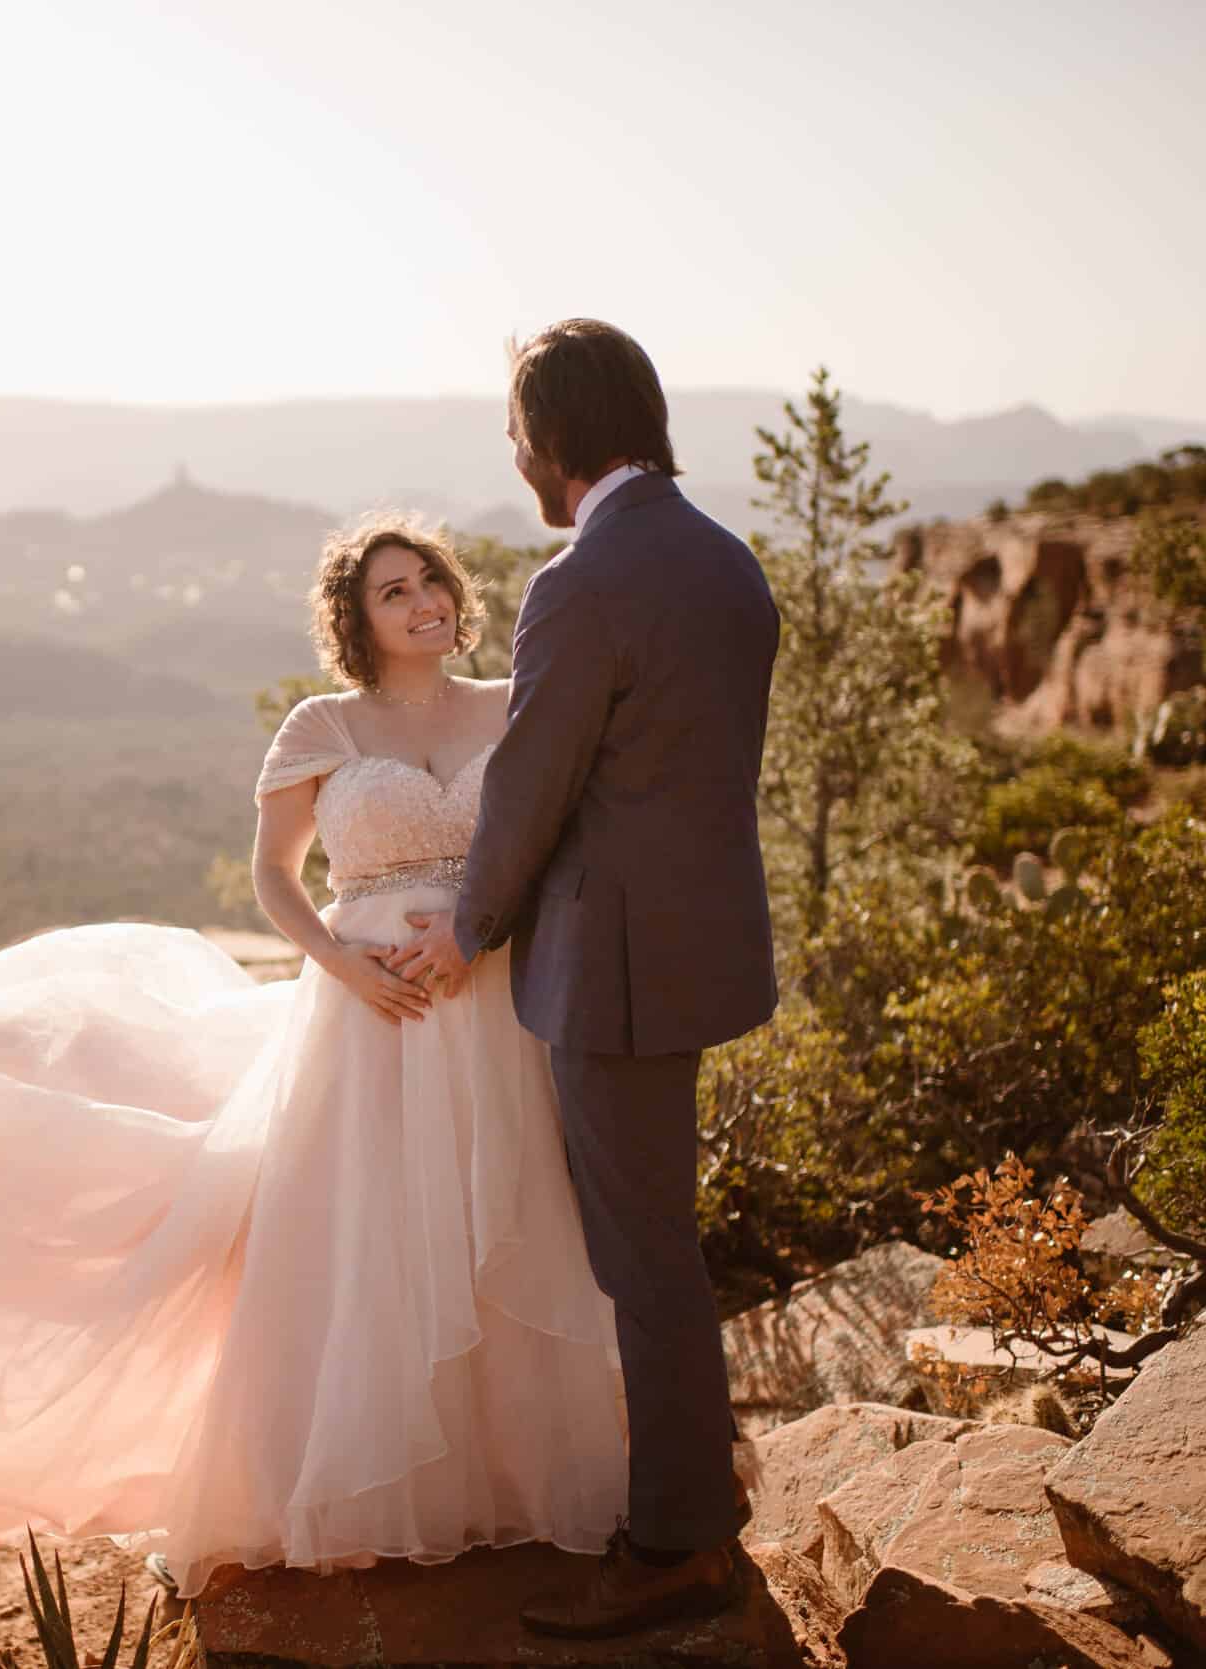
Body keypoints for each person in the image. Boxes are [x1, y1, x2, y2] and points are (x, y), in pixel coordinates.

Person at [0, 509, 633, 1601]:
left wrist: (481, 929)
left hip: (485, 996)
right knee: (370, 1226)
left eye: (429, 578)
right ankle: (371, 1480)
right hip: (372, 1010)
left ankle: (514, 1471)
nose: (423, 598)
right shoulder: (321, 728)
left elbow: (546, 837)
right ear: (356, 620)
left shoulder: (507, 706)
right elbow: (277, 878)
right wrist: (344, 963)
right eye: (392, 589)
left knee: (498, 1210)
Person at [392, 318, 780, 1638]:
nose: (513, 454)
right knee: (659, 1237)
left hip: (609, 969)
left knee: (644, 1254)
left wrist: (469, 923)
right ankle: (691, 1496)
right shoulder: (728, 564)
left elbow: (533, 786)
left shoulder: (586, 579)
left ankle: (676, 1543)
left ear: (555, 438)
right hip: (698, 949)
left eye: (517, 430)